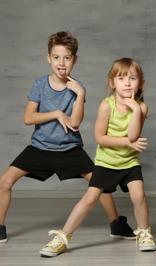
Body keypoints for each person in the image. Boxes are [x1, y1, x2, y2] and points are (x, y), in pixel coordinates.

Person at [0, 31, 137, 244]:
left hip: (69, 149)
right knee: (4, 181)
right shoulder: (40, 85)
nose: (61, 63)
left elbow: (74, 123)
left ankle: (116, 224)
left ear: (75, 60)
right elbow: (28, 118)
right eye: (56, 57)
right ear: (48, 58)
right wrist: (56, 113)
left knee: (98, 184)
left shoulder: (77, 88)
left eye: (67, 57)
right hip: (40, 148)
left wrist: (80, 94)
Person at [39, 57, 156, 257]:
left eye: (132, 78)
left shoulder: (141, 107)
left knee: (139, 195)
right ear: (112, 83)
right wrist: (127, 142)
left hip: (129, 162)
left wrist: (136, 109)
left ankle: (144, 233)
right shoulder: (106, 105)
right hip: (106, 162)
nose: (127, 83)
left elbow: (134, 135)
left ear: (140, 83)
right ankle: (63, 237)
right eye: (121, 78)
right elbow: (100, 138)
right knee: (90, 198)